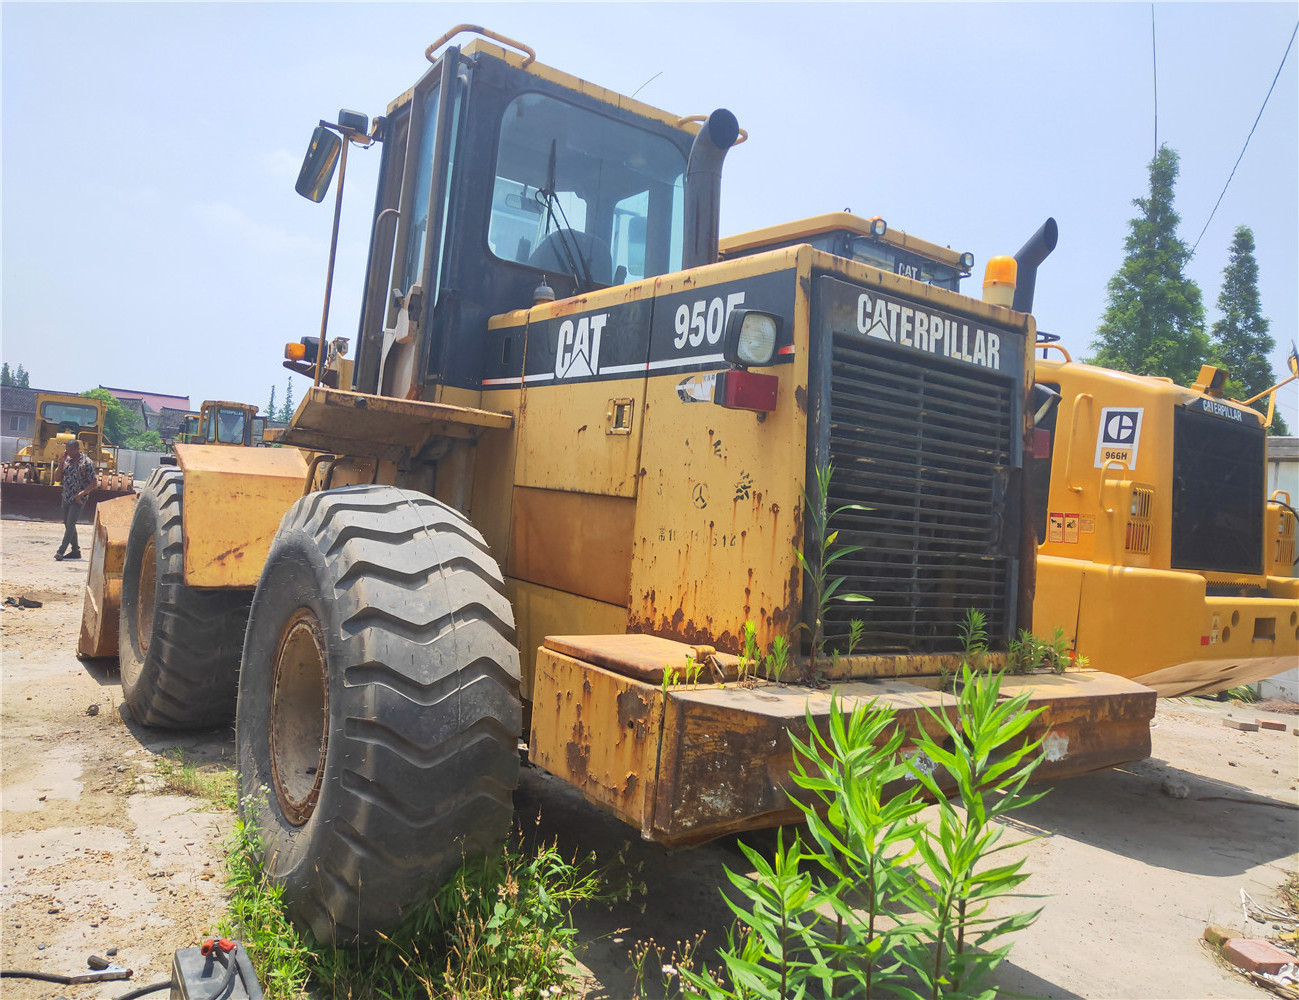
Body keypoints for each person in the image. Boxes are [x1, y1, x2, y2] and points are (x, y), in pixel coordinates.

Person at [55, 438, 98, 561]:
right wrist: (61, 463)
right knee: (67, 523)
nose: (69, 452)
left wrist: (81, 494)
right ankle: (75, 551)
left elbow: (94, 483)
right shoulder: (66, 460)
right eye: (67, 450)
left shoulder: (86, 462)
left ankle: (60, 551)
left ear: (77, 449)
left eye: (71, 450)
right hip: (66, 496)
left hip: (79, 498)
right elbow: (57, 478)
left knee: (70, 524)